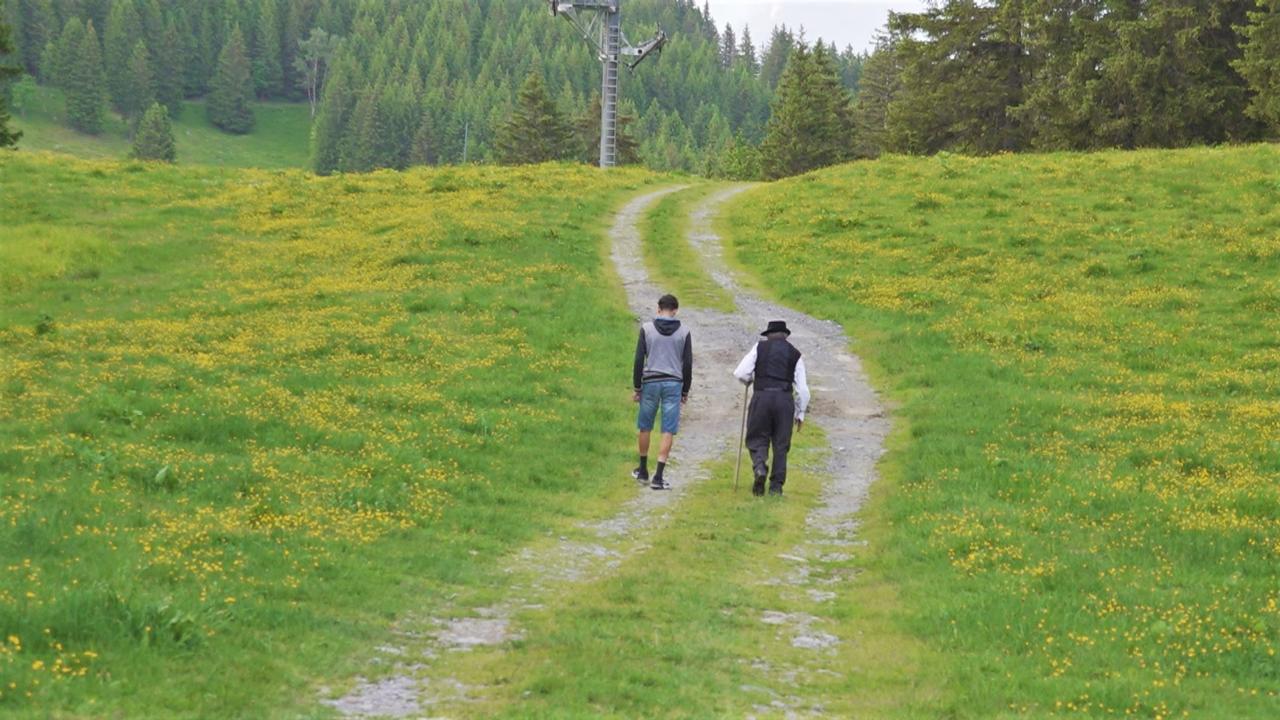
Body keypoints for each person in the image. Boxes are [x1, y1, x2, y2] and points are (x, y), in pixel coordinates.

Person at [733, 320, 810, 496]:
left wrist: (750, 380)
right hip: (784, 400)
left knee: (757, 437)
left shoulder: (759, 348)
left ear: (768, 335)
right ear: (785, 336)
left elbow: (740, 372)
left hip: (762, 397)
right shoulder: (795, 354)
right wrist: (801, 412)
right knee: (781, 444)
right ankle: (776, 486)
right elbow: (803, 390)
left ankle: (760, 467)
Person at [631, 294, 693, 490]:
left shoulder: (647, 329)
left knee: (645, 426)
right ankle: (658, 476)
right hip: (673, 384)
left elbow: (639, 359)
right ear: (675, 310)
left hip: (650, 382)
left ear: (658, 309)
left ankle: (642, 470)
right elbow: (688, 364)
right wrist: (685, 390)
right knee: (668, 429)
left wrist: (637, 386)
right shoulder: (684, 332)